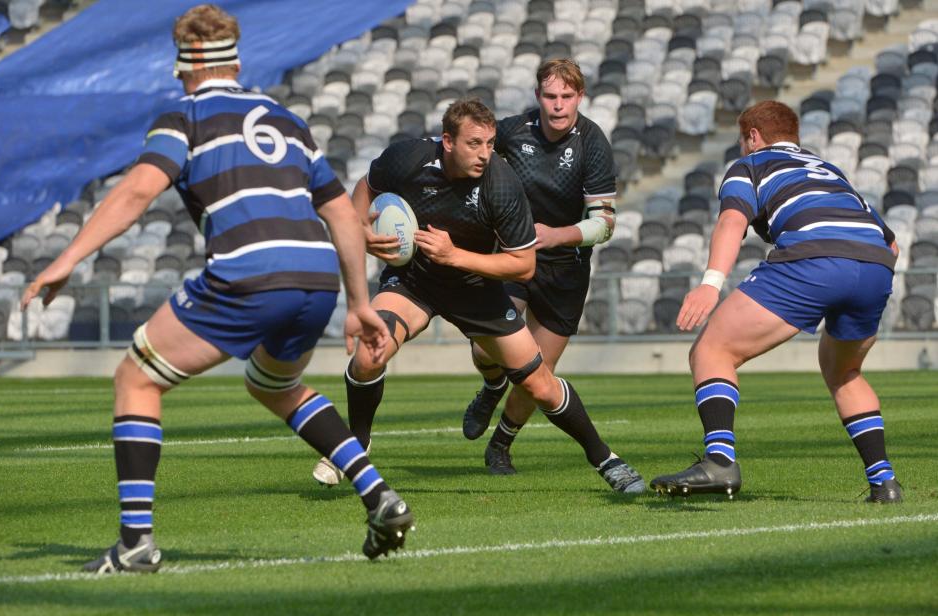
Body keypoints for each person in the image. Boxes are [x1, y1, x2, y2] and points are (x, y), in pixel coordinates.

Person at [21, 4, 414, 573]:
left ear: (184, 66)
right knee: (276, 387)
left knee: (136, 377)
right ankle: (380, 496)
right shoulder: (285, 119)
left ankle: (135, 543)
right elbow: (338, 212)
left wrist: (67, 259)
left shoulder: (185, 117)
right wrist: (357, 302)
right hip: (314, 276)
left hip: (249, 272)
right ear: (235, 61)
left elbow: (136, 193)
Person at [310, 98, 644, 494]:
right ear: (447, 141)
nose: (485, 153)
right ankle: (357, 442)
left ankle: (605, 458)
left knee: (539, 384)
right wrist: (361, 228)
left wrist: (455, 255)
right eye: (474, 144)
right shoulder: (409, 156)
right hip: (415, 281)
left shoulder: (501, 185)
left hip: (476, 289)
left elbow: (523, 266)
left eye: (489, 143)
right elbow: (368, 186)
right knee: (370, 350)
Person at [650, 100, 902, 503]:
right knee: (845, 373)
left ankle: (719, 460)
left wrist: (710, 284)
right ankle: (884, 483)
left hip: (814, 258)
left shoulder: (751, 164)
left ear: (752, 136)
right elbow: (892, 242)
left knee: (713, 350)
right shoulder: (828, 170)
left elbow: (732, 220)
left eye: (741, 139)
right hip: (876, 265)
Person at [459, 59, 635, 481]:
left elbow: (605, 223)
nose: (558, 105)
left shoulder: (593, 142)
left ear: (580, 96)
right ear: (538, 96)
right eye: (550, 96)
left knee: (536, 374)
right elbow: (468, 155)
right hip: (515, 261)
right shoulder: (511, 132)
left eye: (567, 96)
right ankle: (490, 385)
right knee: (486, 349)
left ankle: (501, 444)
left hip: (566, 272)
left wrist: (555, 235)